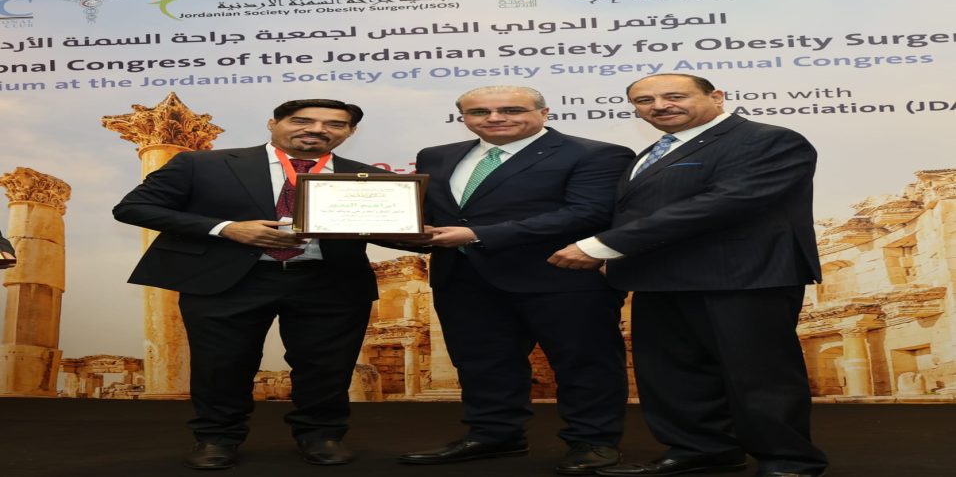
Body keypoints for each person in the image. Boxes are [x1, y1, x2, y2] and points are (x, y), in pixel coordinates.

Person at [548, 73, 828, 477]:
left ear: (717, 96)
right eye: (645, 101)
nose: (659, 106)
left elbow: (727, 202)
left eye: (674, 96)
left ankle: (789, 460)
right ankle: (702, 449)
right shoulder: (656, 149)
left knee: (758, 376)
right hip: (657, 277)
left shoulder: (768, 140)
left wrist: (605, 245)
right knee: (673, 374)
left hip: (741, 277)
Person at [113, 99, 385, 470]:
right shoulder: (201, 164)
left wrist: (424, 234)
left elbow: (391, 230)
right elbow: (134, 208)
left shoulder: (370, 177)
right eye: (302, 120)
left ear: (350, 132)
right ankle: (217, 438)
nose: (317, 129)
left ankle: (322, 435)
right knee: (221, 366)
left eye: (334, 124)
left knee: (327, 368)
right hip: (228, 280)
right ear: (273, 123)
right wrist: (228, 229)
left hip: (330, 282)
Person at [398, 86, 635, 475]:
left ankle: (594, 442)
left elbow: (586, 213)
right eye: (479, 112)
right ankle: (494, 435)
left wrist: (478, 235)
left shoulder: (596, 153)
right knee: (482, 364)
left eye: (511, 110)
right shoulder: (436, 156)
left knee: (584, 364)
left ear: (544, 112)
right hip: (463, 278)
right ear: (463, 118)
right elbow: (428, 214)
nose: (494, 118)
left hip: (559, 277)